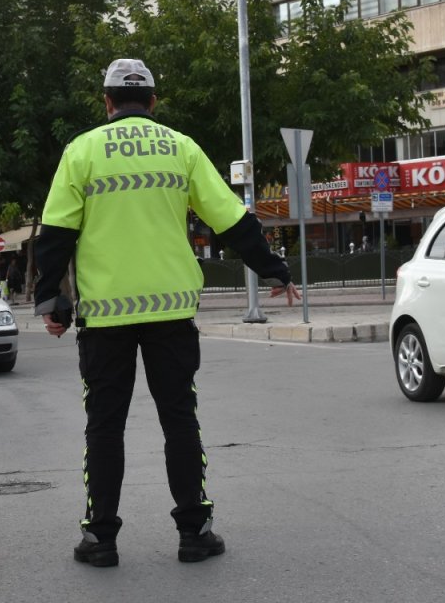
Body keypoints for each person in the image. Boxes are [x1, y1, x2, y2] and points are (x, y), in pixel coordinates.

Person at [35, 58, 301, 568]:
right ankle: (195, 533)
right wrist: (274, 270)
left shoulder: (82, 150)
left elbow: (55, 234)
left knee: (104, 428)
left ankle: (101, 539)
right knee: (180, 422)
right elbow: (232, 220)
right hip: (171, 314)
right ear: (153, 102)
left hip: (105, 320)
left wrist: (54, 303)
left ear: (107, 102)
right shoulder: (182, 147)